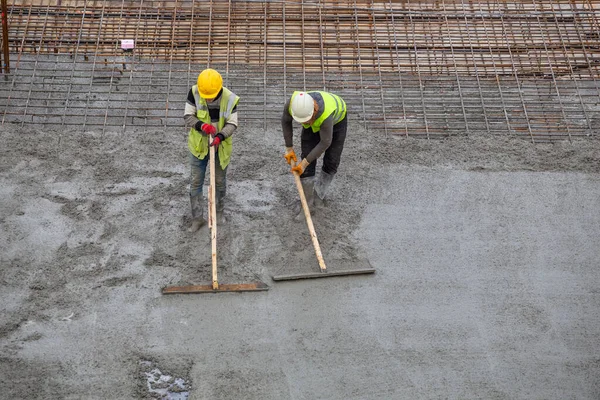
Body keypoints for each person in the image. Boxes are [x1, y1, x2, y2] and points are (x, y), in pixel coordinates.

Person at [184, 68, 240, 232]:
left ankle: (219, 213)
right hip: (199, 146)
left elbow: (232, 123)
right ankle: (197, 218)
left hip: (220, 147)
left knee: (220, 182)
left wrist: (220, 136)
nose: (207, 100)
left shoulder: (230, 98)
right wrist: (202, 125)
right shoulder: (195, 92)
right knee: (195, 182)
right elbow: (188, 116)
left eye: (211, 97)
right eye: (205, 97)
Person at [281, 90, 347, 217]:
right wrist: (289, 148)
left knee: (332, 160)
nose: (304, 123)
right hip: (317, 121)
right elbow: (285, 121)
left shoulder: (326, 115)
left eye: (306, 120)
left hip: (338, 121)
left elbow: (325, 142)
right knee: (307, 154)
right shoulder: (292, 104)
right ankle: (307, 202)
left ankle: (319, 195)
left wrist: (304, 163)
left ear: (313, 112)